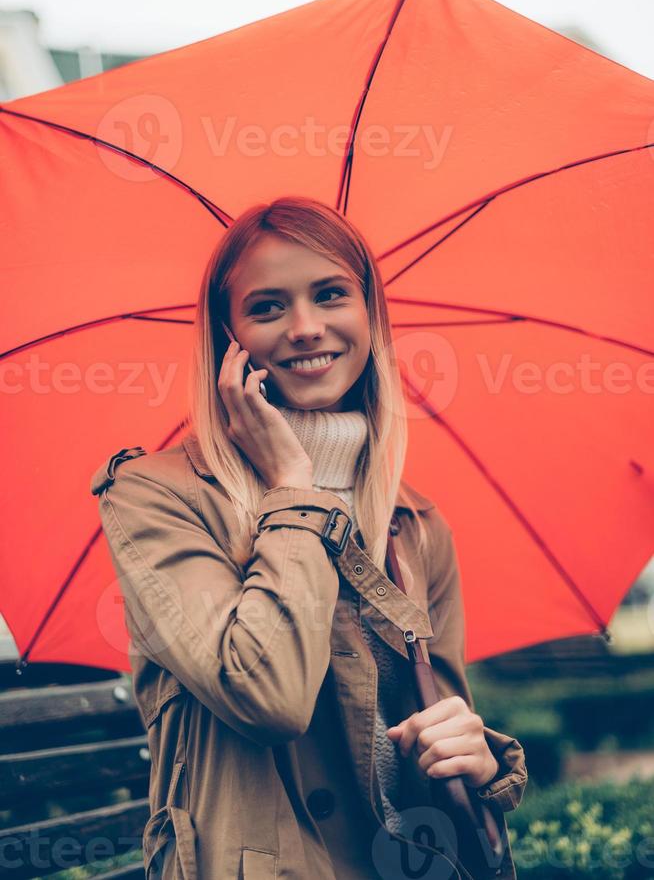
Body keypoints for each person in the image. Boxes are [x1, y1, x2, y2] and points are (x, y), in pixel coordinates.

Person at [90, 196, 527, 880]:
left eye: (330, 295)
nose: (304, 327)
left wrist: (473, 750)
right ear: (226, 339)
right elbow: (266, 696)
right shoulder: (156, 495)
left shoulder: (414, 525)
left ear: (370, 315)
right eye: (267, 308)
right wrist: (296, 483)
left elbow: (432, 729)